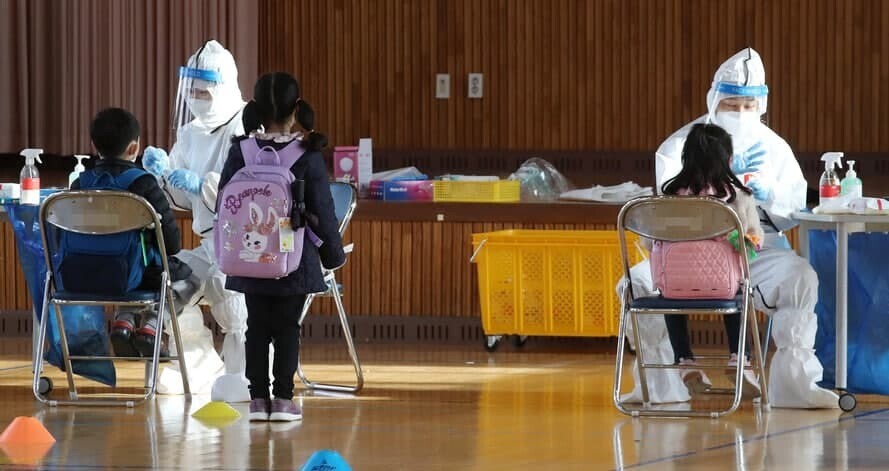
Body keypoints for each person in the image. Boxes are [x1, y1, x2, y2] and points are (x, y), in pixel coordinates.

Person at [620, 47, 838, 408]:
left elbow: (792, 208)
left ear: (763, 105)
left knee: (801, 278)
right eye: (732, 104)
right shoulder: (681, 145)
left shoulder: (776, 149)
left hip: (757, 246)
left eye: (749, 106)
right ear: (715, 99)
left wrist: (769, 196)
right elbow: (668, 212)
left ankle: (794, 386)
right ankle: (662, 383)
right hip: (686, 251)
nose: (740, 114)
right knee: (635, 283)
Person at [218, 72, 345, 421]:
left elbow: (222, 205)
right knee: (288, 327)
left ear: (255, 108)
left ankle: (258, 399)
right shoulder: (307, 153)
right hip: (294, 258)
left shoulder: (240, 150)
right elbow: (323, 210)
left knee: (256, 326)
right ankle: (284, 400)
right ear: (297, 108)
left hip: (248, 256)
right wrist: (333, 256)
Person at [141, 40, 250, 401]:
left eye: (205, 91)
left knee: (227, 292)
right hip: (209, 241)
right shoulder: (190, 132)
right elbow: (179, 196)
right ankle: (199, 361)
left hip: (246, 246)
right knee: (170, 286)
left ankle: (243, 372)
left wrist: (203, 184)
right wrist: (164, 174)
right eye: (194, 90)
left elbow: (248, 192)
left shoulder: (246, 126)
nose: (198, 97)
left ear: (223, 87)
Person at [71, 107, 197, 357]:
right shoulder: (144, 184)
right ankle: (151, 326)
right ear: (134, 148)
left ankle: (124, 320)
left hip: (80, 276)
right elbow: (171, 244)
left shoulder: (78, 185)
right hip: (133, 276)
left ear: (94, 144)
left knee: (122, 266)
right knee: (187, 277)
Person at [653, 122, 764, 398]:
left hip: (676, 286)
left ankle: (685, 360)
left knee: (670, 295)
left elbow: (648, 241)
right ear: (728, 160)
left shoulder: (668, 197)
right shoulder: (738, 197)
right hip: (722, 286)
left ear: (685, 158)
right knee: (739, 290)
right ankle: (740, 358)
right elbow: (754, 239)